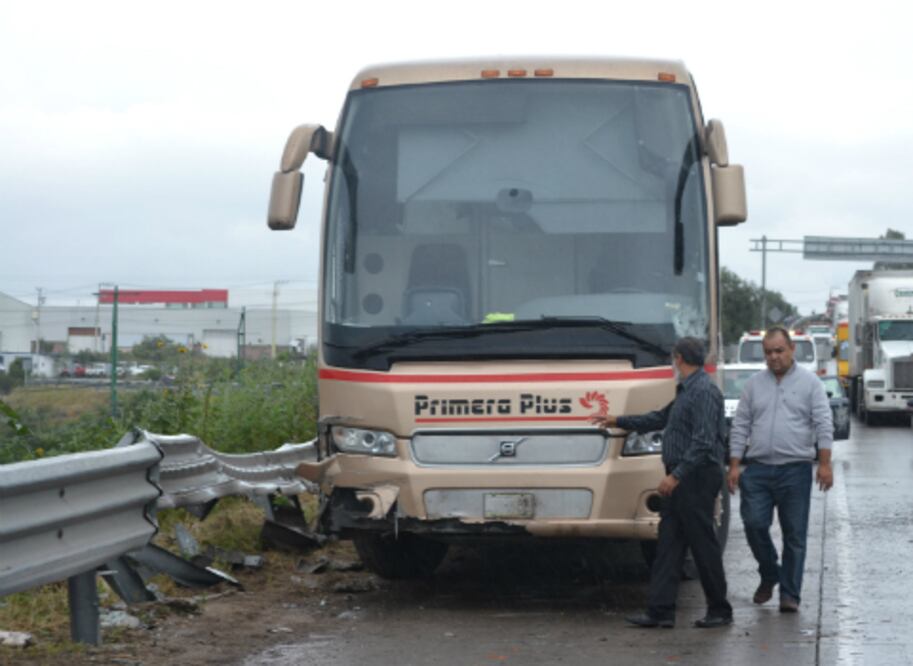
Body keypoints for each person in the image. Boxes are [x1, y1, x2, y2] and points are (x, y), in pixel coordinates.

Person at [592, 337, 732, 629]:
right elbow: (659, 418)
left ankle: (720, 609)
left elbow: (704, 442)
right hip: (682, 476)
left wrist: (676, 475)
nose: (672, 363)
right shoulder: (686, 391)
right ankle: (661, 611)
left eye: (673, 358)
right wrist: (617, 420)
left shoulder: (704, 392)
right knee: (668, 544)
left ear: (679, 358)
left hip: (695, 477)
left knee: (703, 544)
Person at [727, 326, 834, 613]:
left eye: (779, 351)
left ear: (791, 350)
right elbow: (741, 425)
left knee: (795, 535)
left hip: (795, 470)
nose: (773, 357)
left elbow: (824, 423)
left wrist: (824, 464)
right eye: (768, 352)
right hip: (758, 470)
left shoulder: (811, 384)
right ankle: (770, 571)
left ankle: (790, 595)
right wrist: (735, 464)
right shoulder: (753, 385)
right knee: (753, 523)